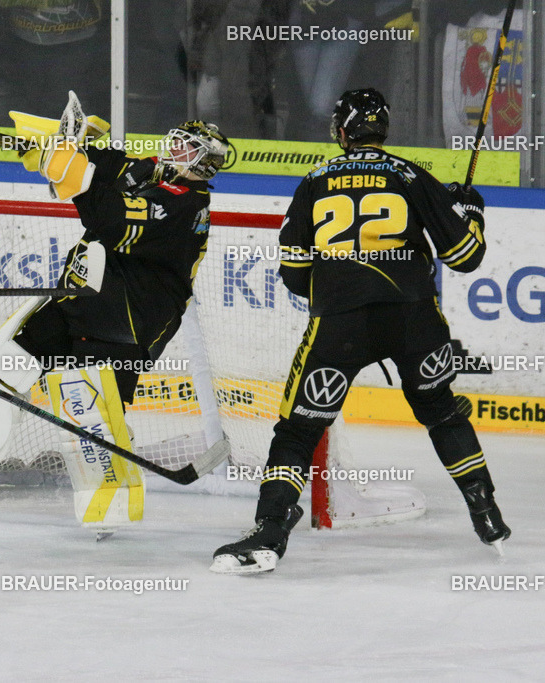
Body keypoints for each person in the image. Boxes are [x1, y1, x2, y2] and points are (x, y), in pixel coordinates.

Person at [210, 88, 509, 574]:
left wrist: (337, 289)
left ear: (342, 131)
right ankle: (486, 511)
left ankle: (269, 532)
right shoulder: (412, 175)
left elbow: (292, 273)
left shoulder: (314, 181)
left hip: (340, 323)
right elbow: (466, 257)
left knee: (298, 430)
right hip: (415, 320)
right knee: (441, 411)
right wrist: (470, 210)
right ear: (383, 130)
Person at [0, 114, 231, 511]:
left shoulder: (183, 206)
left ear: (203, 164)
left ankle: (111, 508)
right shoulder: (153, 172)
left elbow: (108, 219)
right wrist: (63, 151)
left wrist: (70, 169)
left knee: (90, 419)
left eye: (185, 147)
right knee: (5, 364)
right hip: (79, 304)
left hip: (122, 328)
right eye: (174, 140)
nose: (172, 149)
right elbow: (107, 165)